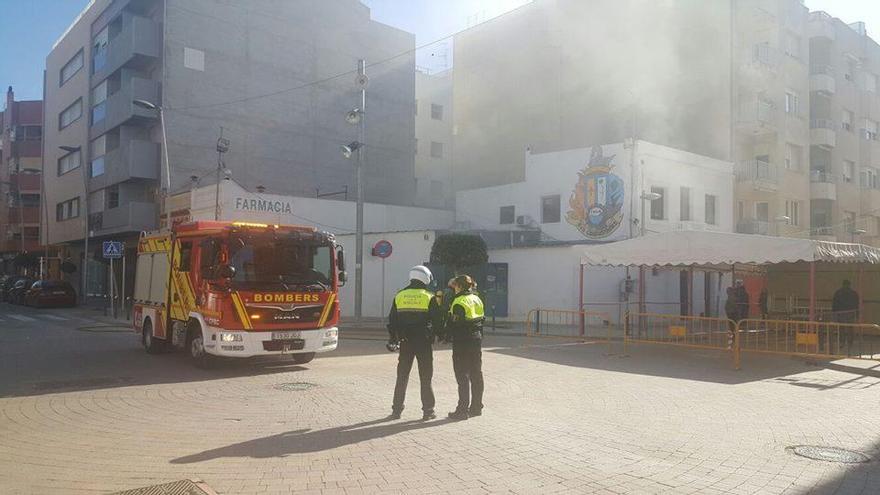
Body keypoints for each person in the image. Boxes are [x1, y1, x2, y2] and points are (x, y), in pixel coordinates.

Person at [387, 265, 443, 420]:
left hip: (405, 341)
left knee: (402, 376)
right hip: (423, 342)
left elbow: (392, 321)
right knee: (426, 377)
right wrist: (439, 335)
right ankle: (428, 411)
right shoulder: (429, 296)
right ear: (425, 278)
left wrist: (393, 338)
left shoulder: (400, 295)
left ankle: (396, 410)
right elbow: (437, 321)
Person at [444, 275, 485, 420]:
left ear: (459, 286)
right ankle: (476, 407)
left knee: (462, 376)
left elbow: (456, 324)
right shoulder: (477, 299)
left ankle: (462, 410)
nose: (453, 288)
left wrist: (446, 335)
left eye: (454, 286)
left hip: (462, 342)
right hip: (476, 340)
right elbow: (482, 320)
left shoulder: (458, 302)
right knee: (476, 373)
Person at [832, 280, 860, 353]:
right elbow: (857, 305)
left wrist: (834, 314)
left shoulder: (838, 292)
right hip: (851, 313)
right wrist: (857, 314)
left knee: (841, 328)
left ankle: (842, 342)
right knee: (850, 328)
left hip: (841, 313)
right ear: (849, 285)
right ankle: (850, 343)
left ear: (842, 284)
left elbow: (834, 304)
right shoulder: (854, 293)